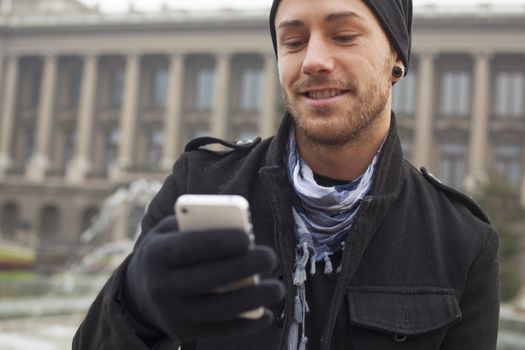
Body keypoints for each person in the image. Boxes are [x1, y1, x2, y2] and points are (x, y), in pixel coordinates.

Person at [73, 0, 500, 349]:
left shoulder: (461, 241)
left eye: (344, 36)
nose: (313, 60)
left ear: (397, 59)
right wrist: (134, 305)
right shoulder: (200, 185)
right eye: (293, 41)